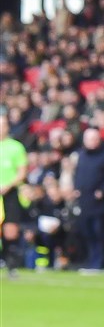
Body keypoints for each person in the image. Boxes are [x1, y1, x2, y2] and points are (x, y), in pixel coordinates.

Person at [73, 128, 104, 273]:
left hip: (99, 203)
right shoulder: (82, 155)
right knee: (87, 232)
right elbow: (78, 173)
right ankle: (91, 260)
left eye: (94, 139)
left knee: (99, 232)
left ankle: (100, 262)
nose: (92, 142)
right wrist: (76, 187)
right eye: (89, 139)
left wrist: (102, 190)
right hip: (84, 200)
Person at [0, 116, 28, 275]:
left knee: (10, 230)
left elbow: (22, 172)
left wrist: (8, 185)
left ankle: (11, 264)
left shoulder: (16, 147)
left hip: (10, 193)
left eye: (3, 125)